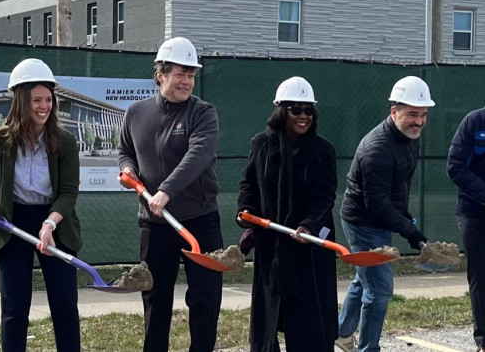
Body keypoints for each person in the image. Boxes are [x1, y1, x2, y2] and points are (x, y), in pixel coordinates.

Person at [118, 36, 223, 352]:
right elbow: (125, 150)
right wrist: (128, 169)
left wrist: (166, 190)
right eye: (180, 74)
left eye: (191, 75)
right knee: (155, 297)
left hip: (199, 220)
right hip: (154, 224)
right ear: (160, 74)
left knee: (204, 296)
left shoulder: (203, 113)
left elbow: (198, 155)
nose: (187, 81)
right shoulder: (136, 113)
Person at [0, 58, 81, 352]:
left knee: (64, 305)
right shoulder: (0, 139)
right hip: (13, 222)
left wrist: (49, 224)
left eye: (49, 99)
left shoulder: (64, 141)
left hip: (55, 223)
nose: (44, 106)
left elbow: (68, 192)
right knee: (14, 308)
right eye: (37, 99)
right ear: (21, 100)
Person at [236, 76, 339, 352]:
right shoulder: (261, 145)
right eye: (295, 109)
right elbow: (249, 184)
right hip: (272, 247)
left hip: (310, 248)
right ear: (281, 111)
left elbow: (324, 196)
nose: (303, 116)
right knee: (267, 324)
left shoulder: (323, 151)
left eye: (308, 110)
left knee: (310, 324)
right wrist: (245, 211)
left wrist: (308, 226)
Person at [336, 75, 434, 352]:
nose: (419, 121)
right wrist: (411, 231)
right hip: (363, 222)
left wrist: (405, 215)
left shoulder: (408, 137)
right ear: (394, 112)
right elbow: (376, 205)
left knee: (363, 278)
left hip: (380, 215)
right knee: (379, 290)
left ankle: (341, 332)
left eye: (423, 114)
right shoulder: (377, 149)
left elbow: (398, 184)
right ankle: (369, 348)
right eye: (413, 114)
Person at [447, 106, 485, 352]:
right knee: (481, 275)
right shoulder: (475, 121)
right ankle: (483, 340)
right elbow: (455, 166)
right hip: (475, 213)